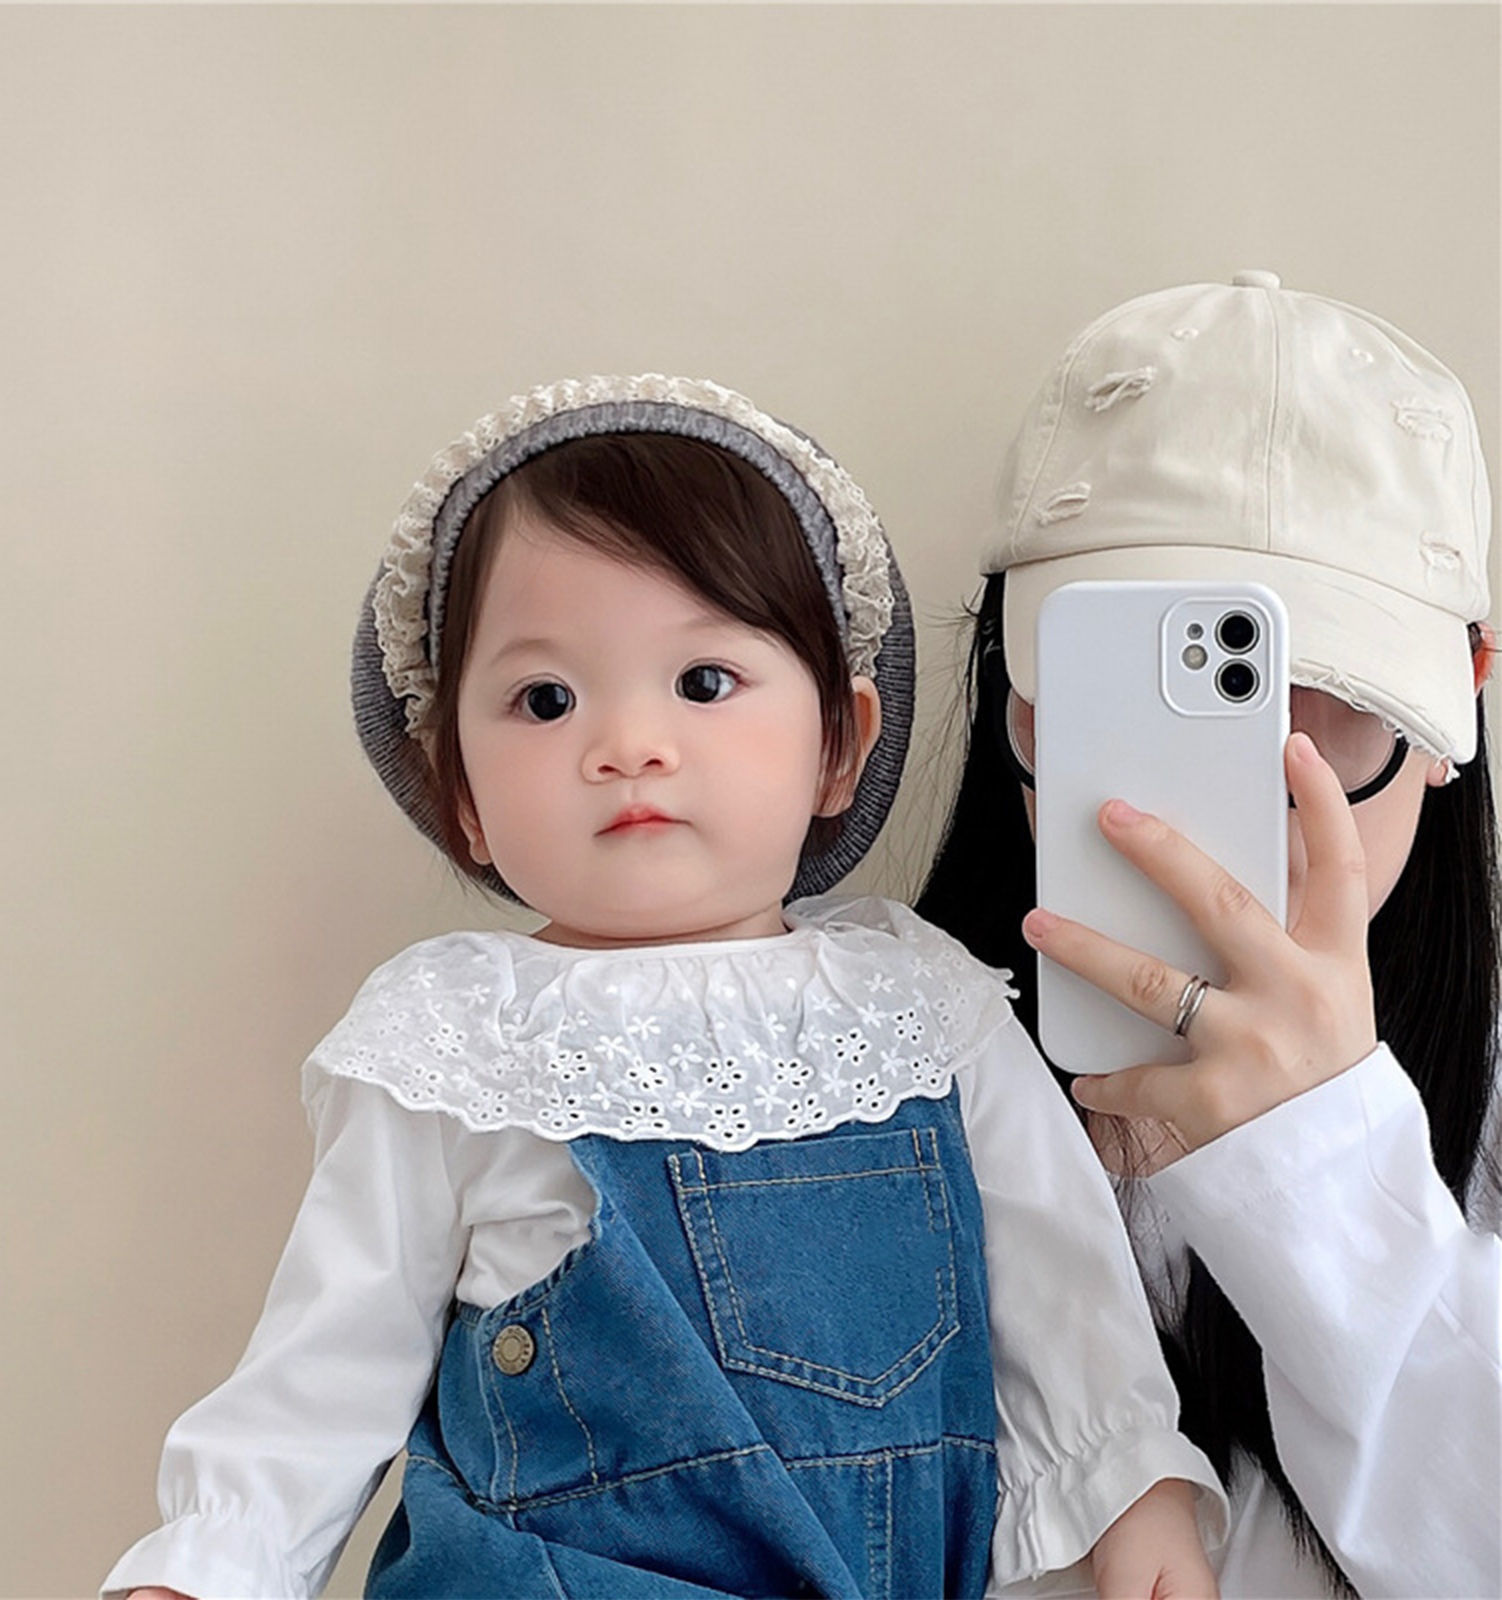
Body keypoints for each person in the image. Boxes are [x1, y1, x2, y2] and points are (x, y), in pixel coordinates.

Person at [102, 376, 1226, 1600]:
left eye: (702, 682)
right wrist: (210, 1564)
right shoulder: (456, 1034)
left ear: (838, 745)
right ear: (460, 793)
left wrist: (1132, 1486)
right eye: (546, 699)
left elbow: (1058, 1278)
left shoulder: (918, 1002)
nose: (628, 744)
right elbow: (327, 1364)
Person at [918, 273, 1502, 1599]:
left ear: (1457, 704)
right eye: (1160, 693)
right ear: (1015, 700)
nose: (1236, 796)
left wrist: (1325, 1160)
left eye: (1328, 700)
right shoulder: (859, 1076)